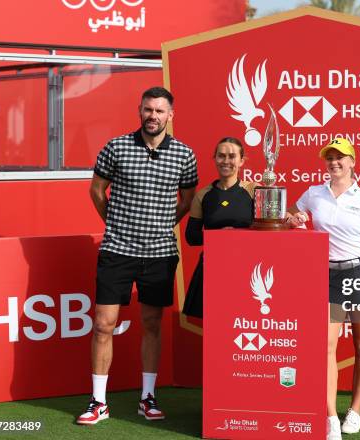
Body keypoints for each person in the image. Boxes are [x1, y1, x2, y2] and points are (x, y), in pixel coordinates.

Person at [76, 86, 198, 425]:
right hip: (117, 250)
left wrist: (161, 225)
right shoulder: (116, 147)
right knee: (103, 325)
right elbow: (97, 191)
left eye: (160, 111)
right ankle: (98, 402)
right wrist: (116, 224)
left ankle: (148, 397)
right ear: (139, 111)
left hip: (159, 253)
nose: (153, 116)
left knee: (151, 323)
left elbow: (186, 201)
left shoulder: (185, 155)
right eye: (148, 109)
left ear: (170, 115)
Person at [288, 138, 360, 440]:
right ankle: (330, 415)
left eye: (341, 157)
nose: (335, 162)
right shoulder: (314, 193)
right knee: (326, 348)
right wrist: (296, 218)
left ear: (353, 162)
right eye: (330, 158)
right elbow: (292, 213)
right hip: (326, 275)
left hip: (359, 273)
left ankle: (354, 410)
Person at [183, 137, 255, 318]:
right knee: (215, 325)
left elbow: (269, 230)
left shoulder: (255, 191)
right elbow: (191, 237)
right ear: (214, 159)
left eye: (232, 156)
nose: (226, 161)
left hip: (248, 269)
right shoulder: (203, 195)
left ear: (241, 160)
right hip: (213, 267)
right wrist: (219, 237)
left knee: (246, 322)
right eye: (221, 156)